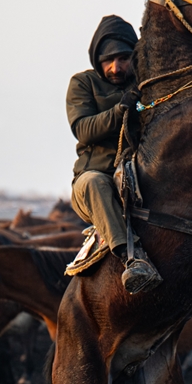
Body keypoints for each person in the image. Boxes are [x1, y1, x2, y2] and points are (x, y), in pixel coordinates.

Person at [66, 15, 161, 294]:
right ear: (98, 59)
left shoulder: (147, 85)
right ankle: (131, 258)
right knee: (97, 182)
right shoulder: (83, 83)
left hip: (139, 183)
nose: (115, 67)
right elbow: (83, 129)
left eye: (123, 58)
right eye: (108, 60)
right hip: (92, 188)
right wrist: (121, 110)